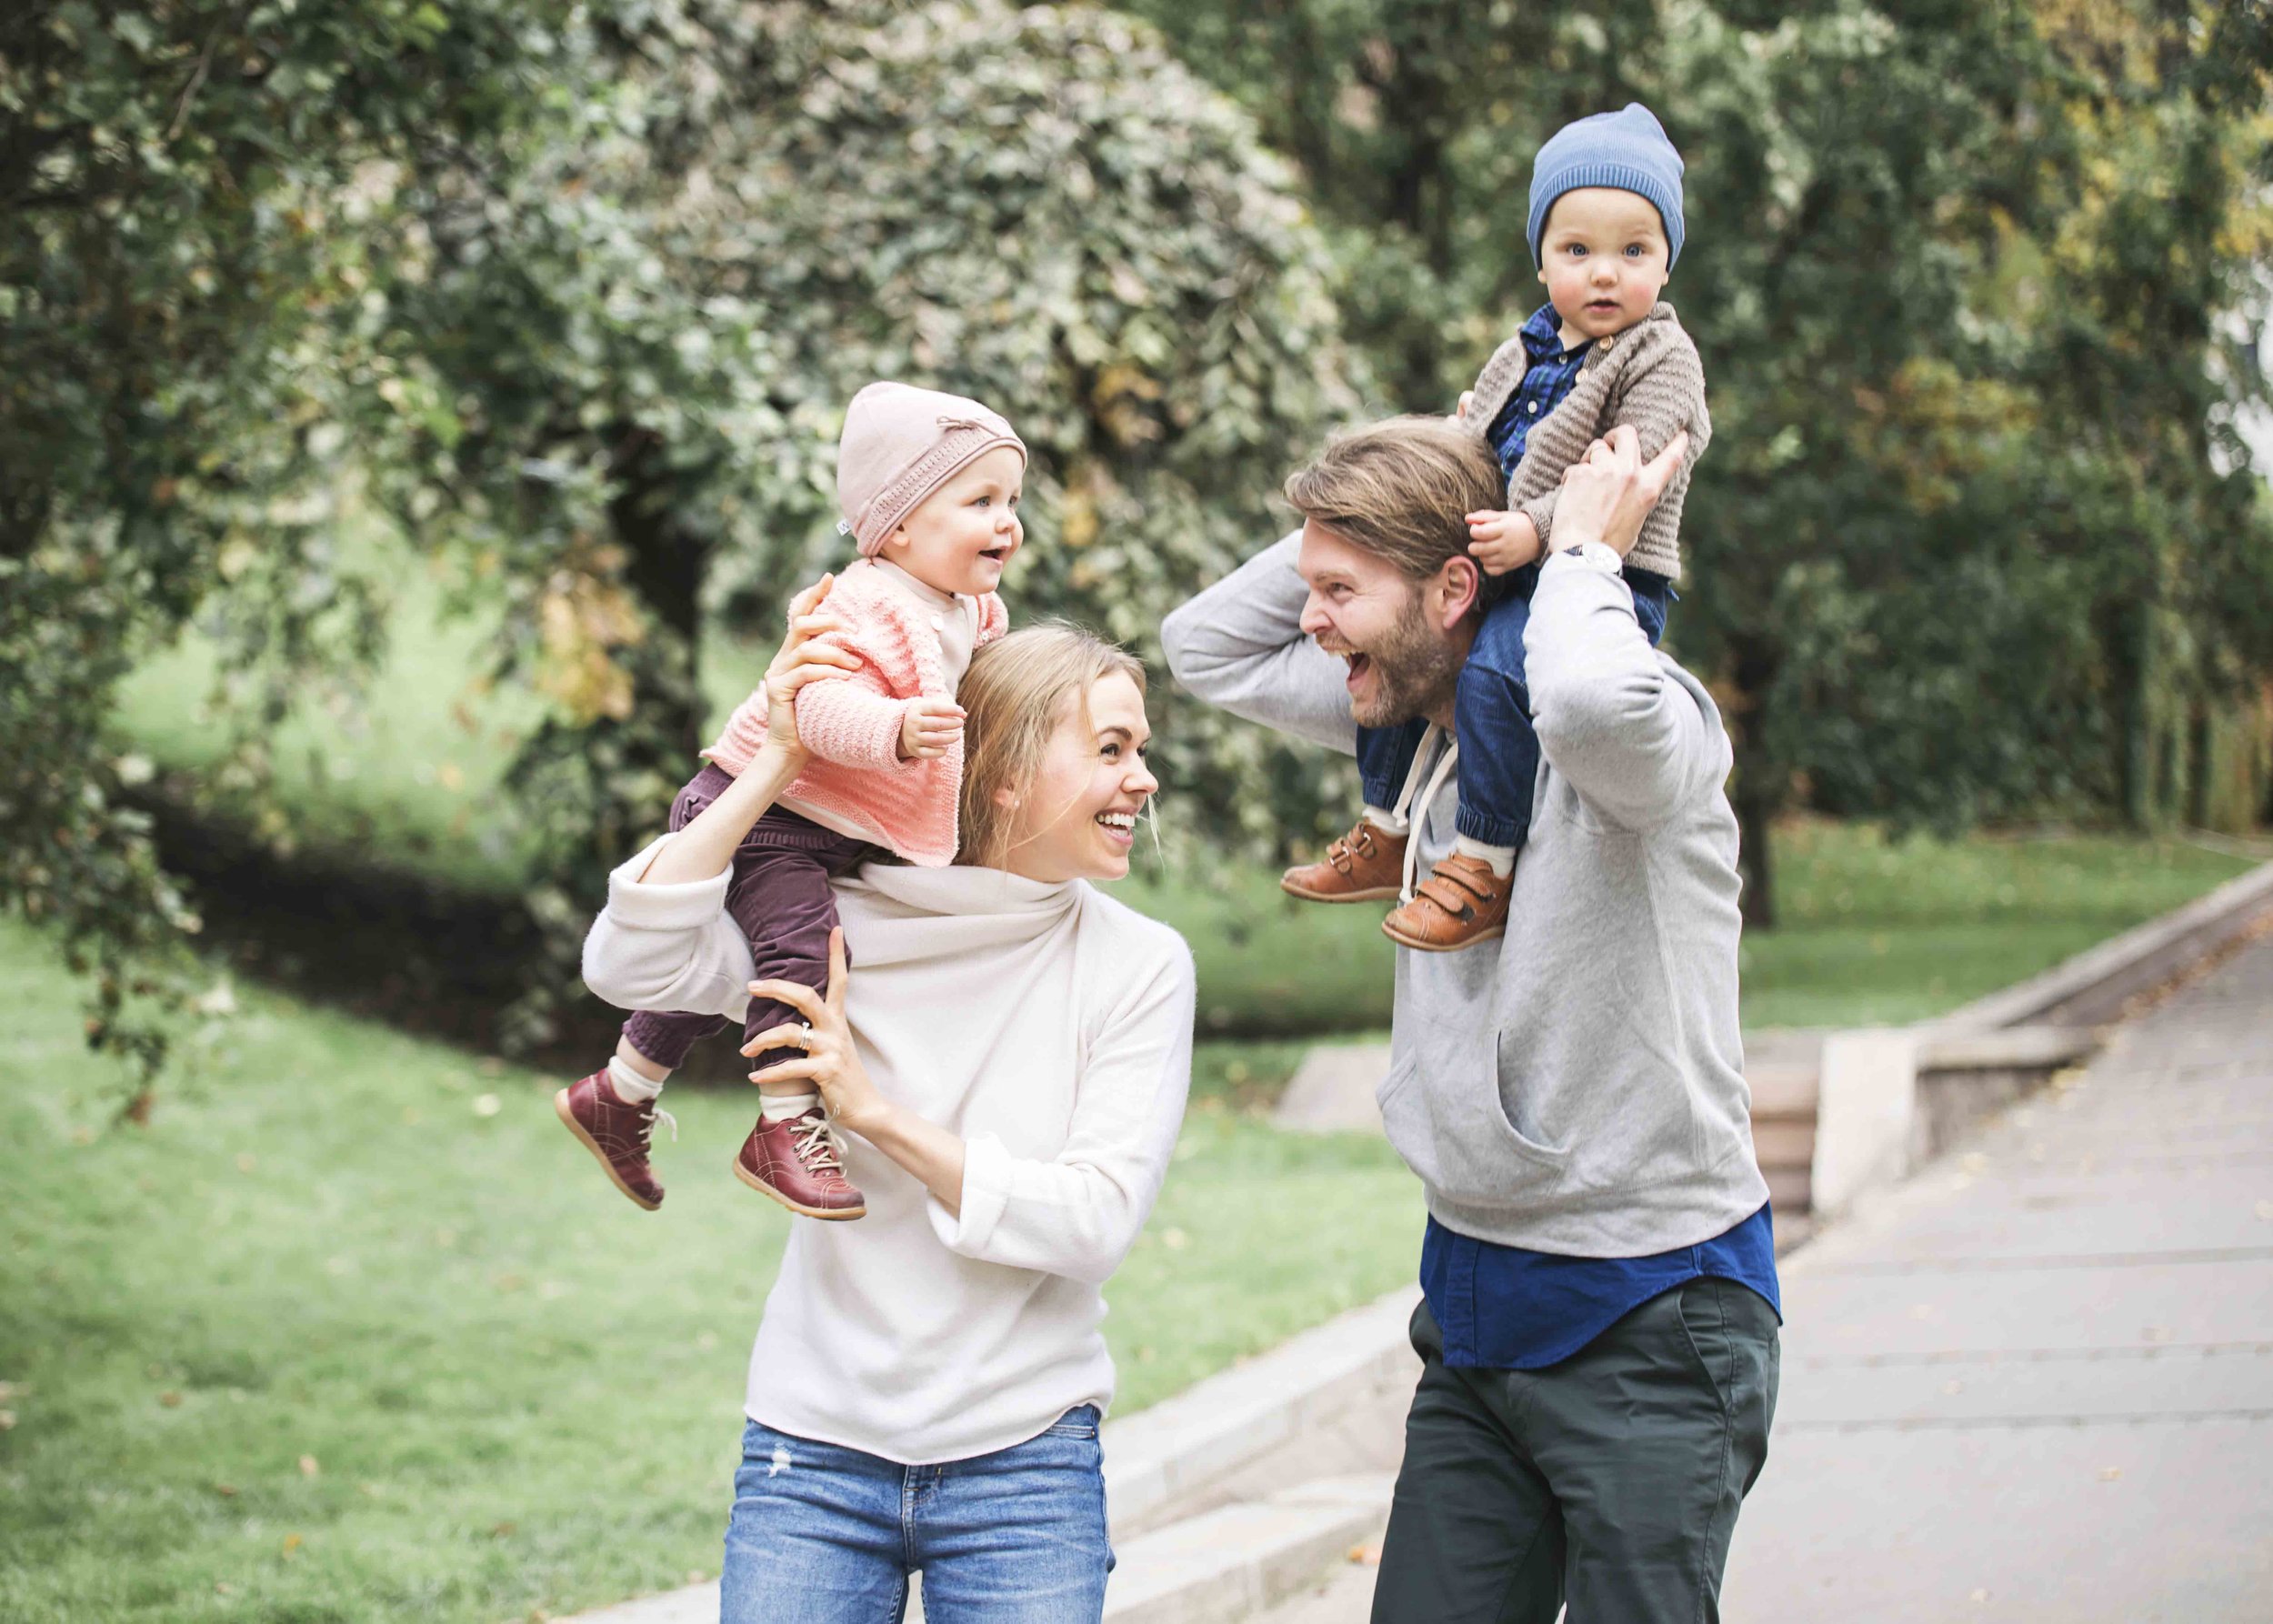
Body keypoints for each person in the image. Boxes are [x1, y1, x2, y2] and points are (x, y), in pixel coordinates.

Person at [1161, 417, 1778, 1623]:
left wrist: (1582, 554)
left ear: (1457, 589)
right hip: (1474, 1303)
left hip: (1648, 1310)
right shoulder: (1414, 735)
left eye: (1339, 589)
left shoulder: (1641, 737)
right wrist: (1428, 459)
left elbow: (1591, 699)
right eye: (1311, 584)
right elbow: (1202, 647)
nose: (1309, 617)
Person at [580, 601, 1193, 1624]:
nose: (1144, 777)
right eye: (1111, 748)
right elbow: (623, 961)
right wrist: (770, 767)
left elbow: (1093, 1223)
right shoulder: (828, 924)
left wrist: (872, 1113)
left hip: (1026, 1465)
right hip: (811, 1454)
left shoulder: (1136, 965)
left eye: (1141, 748)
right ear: (998, 771)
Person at [557, 381, 1026, 1220]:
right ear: (901, 524)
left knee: (722, 971)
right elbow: (812, 704)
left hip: (823, 828)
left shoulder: (973, 610)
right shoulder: (865, 600)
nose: (1006, 521)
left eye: (1012, 501)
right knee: (801, 959)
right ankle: (782, 1125)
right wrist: (891, 728)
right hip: (763, 821)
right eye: (981, 500)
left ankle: (618, 1093)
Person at [1281, 103, 1711, 954]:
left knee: (1487, 676)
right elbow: (1476, 450)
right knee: (1404, 648)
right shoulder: (1520, 352)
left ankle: (1483, 861)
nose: (1604, 274)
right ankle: (1387, 827)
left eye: (1635, 251)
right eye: (1576, 250)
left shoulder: (1661, 359)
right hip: (1506, 560)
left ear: (1666, 266)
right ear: (1542, 259)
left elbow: (1624, 474)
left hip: (1603, 580)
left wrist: (1537, 531)